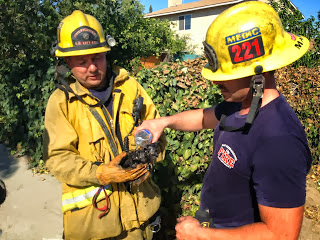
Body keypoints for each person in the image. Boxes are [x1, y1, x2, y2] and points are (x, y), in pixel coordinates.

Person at [135, 1, 312, 239]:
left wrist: (200, 234)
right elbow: (202, 117)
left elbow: (281, 234)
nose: (215, 82)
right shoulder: (240, 106)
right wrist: (162, 122)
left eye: (227, 75)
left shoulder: (279, 138)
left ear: (257, 73)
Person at [43, 10, 166, 240]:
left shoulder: (130, 88)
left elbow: (156, 127)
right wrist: (101, 173)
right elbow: (57, 157)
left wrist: (151, 152)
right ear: (67, 62)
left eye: (97, 57)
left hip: (145, 217)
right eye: (81, 61)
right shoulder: (61, 103)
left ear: (106, 54)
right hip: (98, 227)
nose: (92, 67)